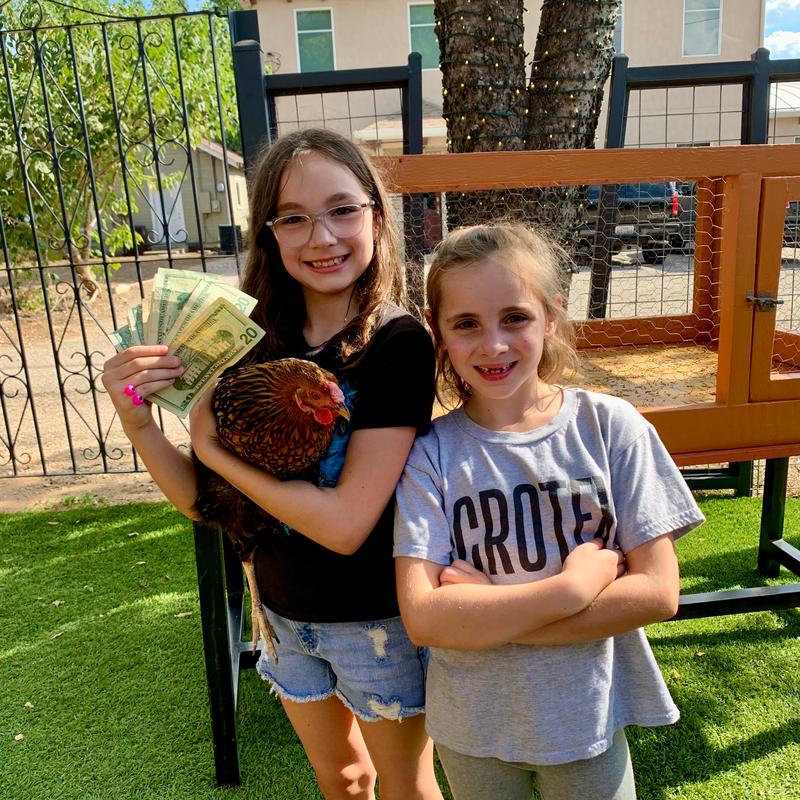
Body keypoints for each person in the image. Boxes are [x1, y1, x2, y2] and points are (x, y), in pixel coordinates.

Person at [102, 128, 442, 800]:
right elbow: (207, 502)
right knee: (342, 779)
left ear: (376, 216)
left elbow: (345, 525)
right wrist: (138, 422)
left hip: (377, 621)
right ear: (268, 233)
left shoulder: (397, 344)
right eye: (294, 218)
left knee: (406, 787)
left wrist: (211, 449)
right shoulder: (249, 344)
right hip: (282, 616)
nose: (322, 237)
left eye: (342, 210)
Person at [393, 222, 705, 800]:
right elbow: (425, 619)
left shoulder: (611, 429)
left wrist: (486, 613)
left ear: (552, 317)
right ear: (438, 332)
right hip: (472, 724)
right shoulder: (429, 455)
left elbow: (657, 593)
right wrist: (569, 590)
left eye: (515, 317)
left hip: (587, 717)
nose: (493, 345)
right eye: (466, 324)